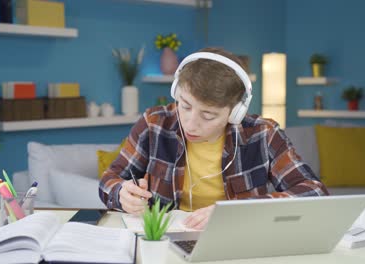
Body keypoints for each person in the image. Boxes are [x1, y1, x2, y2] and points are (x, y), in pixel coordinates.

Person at [99, 47, 329, 230]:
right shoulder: (154, 123)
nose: (190, 123)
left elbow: (315, 192)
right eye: (185, 106)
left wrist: (233, 212)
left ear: (236, 112)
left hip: (238, 241)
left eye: (208, 115)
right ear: (176, 92)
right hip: (165, 240)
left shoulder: (263, 134)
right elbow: (110, 179)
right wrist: (121, 194)